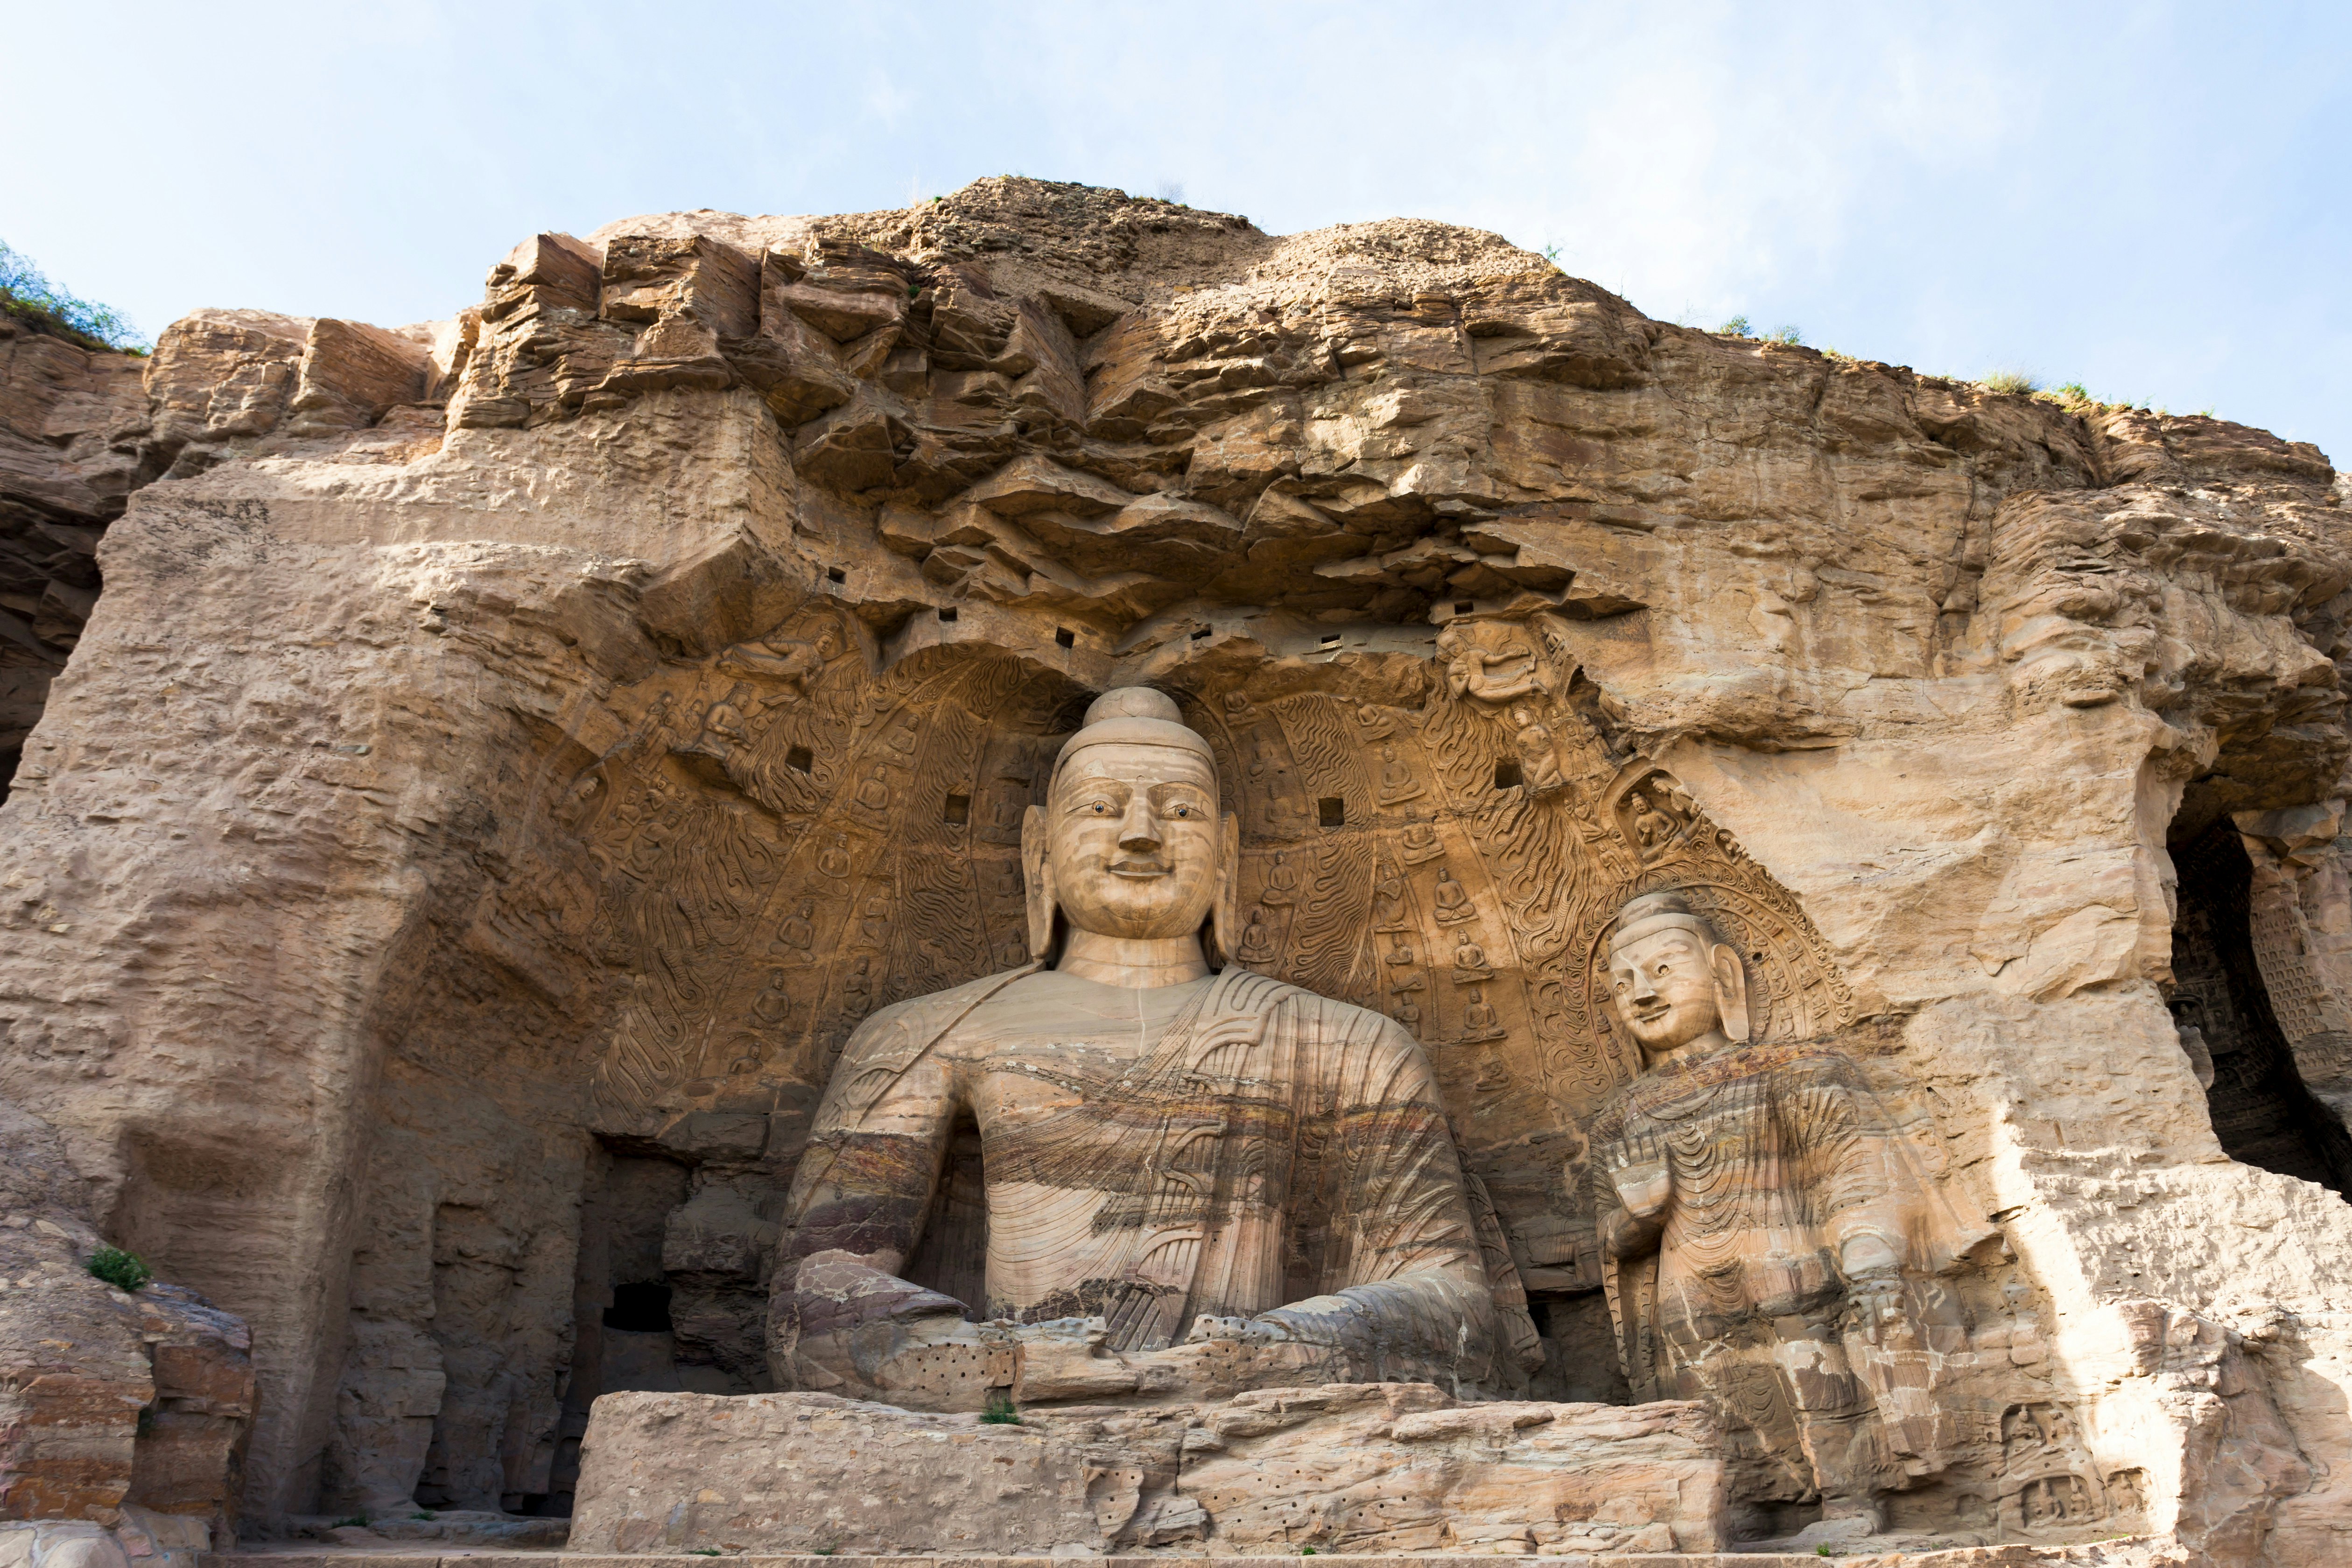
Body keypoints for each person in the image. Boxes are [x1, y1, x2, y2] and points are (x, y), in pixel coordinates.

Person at [767, 689, 1526, 1411]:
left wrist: (1263, 1350)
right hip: (1012, 1400)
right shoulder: (928, 1036)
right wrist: (1012, 1364)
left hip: (1256, 1400)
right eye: (1100, 808)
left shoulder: (1350, 1043)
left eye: (1181, 810)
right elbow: (815, 1298)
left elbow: (1454, 1309)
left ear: (1227, 852)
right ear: (1039, 846)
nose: (1140, 833)